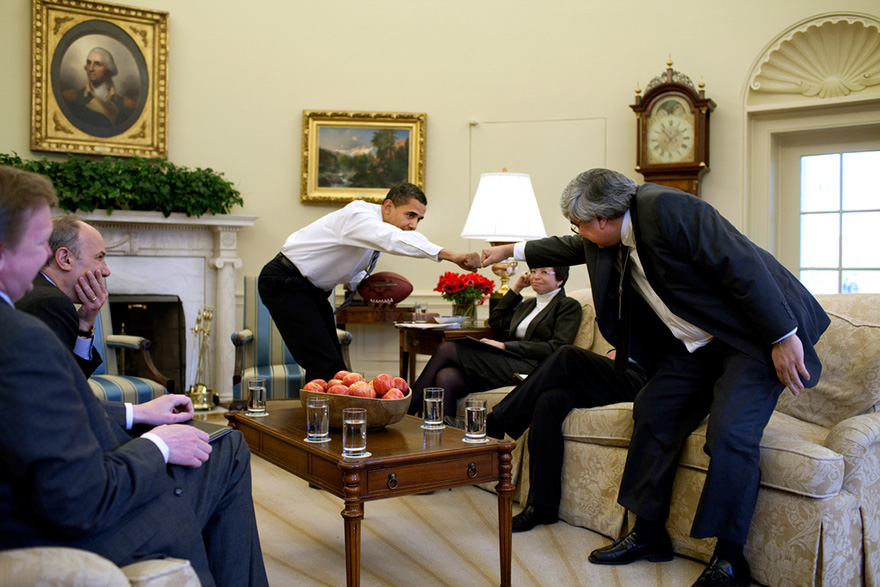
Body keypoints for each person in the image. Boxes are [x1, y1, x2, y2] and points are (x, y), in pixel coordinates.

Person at [481, 168, 830, 587]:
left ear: (603, 221)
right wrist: (509, 251)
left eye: (579, 225)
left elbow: (741, 262)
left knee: (730, 432)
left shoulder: (666, 207)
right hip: (700, 346)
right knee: (653, 408)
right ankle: (648, 535)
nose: (578, 234)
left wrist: (782, 335)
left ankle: (731, 558)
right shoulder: (614, 231)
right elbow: (571, 246)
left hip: (753, 338)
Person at [0, 166, 268, 586]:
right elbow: (80, 499)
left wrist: (135, 413)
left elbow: (48, 403)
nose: (41, 259)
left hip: (43, 493)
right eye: (37, 244)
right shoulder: (26, 326)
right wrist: (156, 445)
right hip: (66, 528)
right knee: (227, 447)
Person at [259, 182, 481, 382]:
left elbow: (354, 271)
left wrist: (371, 294)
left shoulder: (372, 234)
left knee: (333, 365)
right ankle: (321, 424)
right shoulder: (359, 215)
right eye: (410, 215)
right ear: (388, 207)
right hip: (284, 282)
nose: (413, 225)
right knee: (325, 364)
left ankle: (318, 420)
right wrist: (451, 255)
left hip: (309, 291)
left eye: (418, 219)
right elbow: (394, 239)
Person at [408, 265, 582, 418]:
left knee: (448, 349)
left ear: (560, 279)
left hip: (535, 368)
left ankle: (407, 411)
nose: (535, 276)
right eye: (533, 271)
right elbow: (496, 320)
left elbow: (556, 348)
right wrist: (516, 288)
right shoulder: (529, 305)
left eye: (544, 272)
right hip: (511, 361)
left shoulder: (567, 305)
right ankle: (445, 440)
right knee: (446, 376)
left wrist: (505, 345)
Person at [16, 215, 110, 377]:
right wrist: (131, 404)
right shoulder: (51, 303)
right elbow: (64, 391)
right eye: (99, 257)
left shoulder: (27, 288)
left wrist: (85, 323)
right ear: (65, 259)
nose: (106, 271)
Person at [62, 47, 136, 129]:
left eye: (97, 64)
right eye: (89, 63)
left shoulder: (127, 104)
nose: (90, 69)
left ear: (109, 70)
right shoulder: (71, 97)